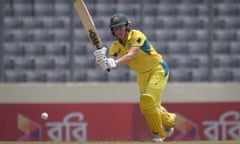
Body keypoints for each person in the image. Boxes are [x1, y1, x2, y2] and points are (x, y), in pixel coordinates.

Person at [93, 13, 176, 142]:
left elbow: (131, 55)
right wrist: (101, 60)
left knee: (149, 102)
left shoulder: (136, 35)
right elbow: (110, 64)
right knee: (146, 106)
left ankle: (158, 135)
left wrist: (113, 62)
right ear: (112, 30)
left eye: (121, 27)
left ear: (127, 27)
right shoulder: (115, 46)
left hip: (157, 69)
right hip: (142, 74)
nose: (119, 31)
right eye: (115, 28)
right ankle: (170, 119)